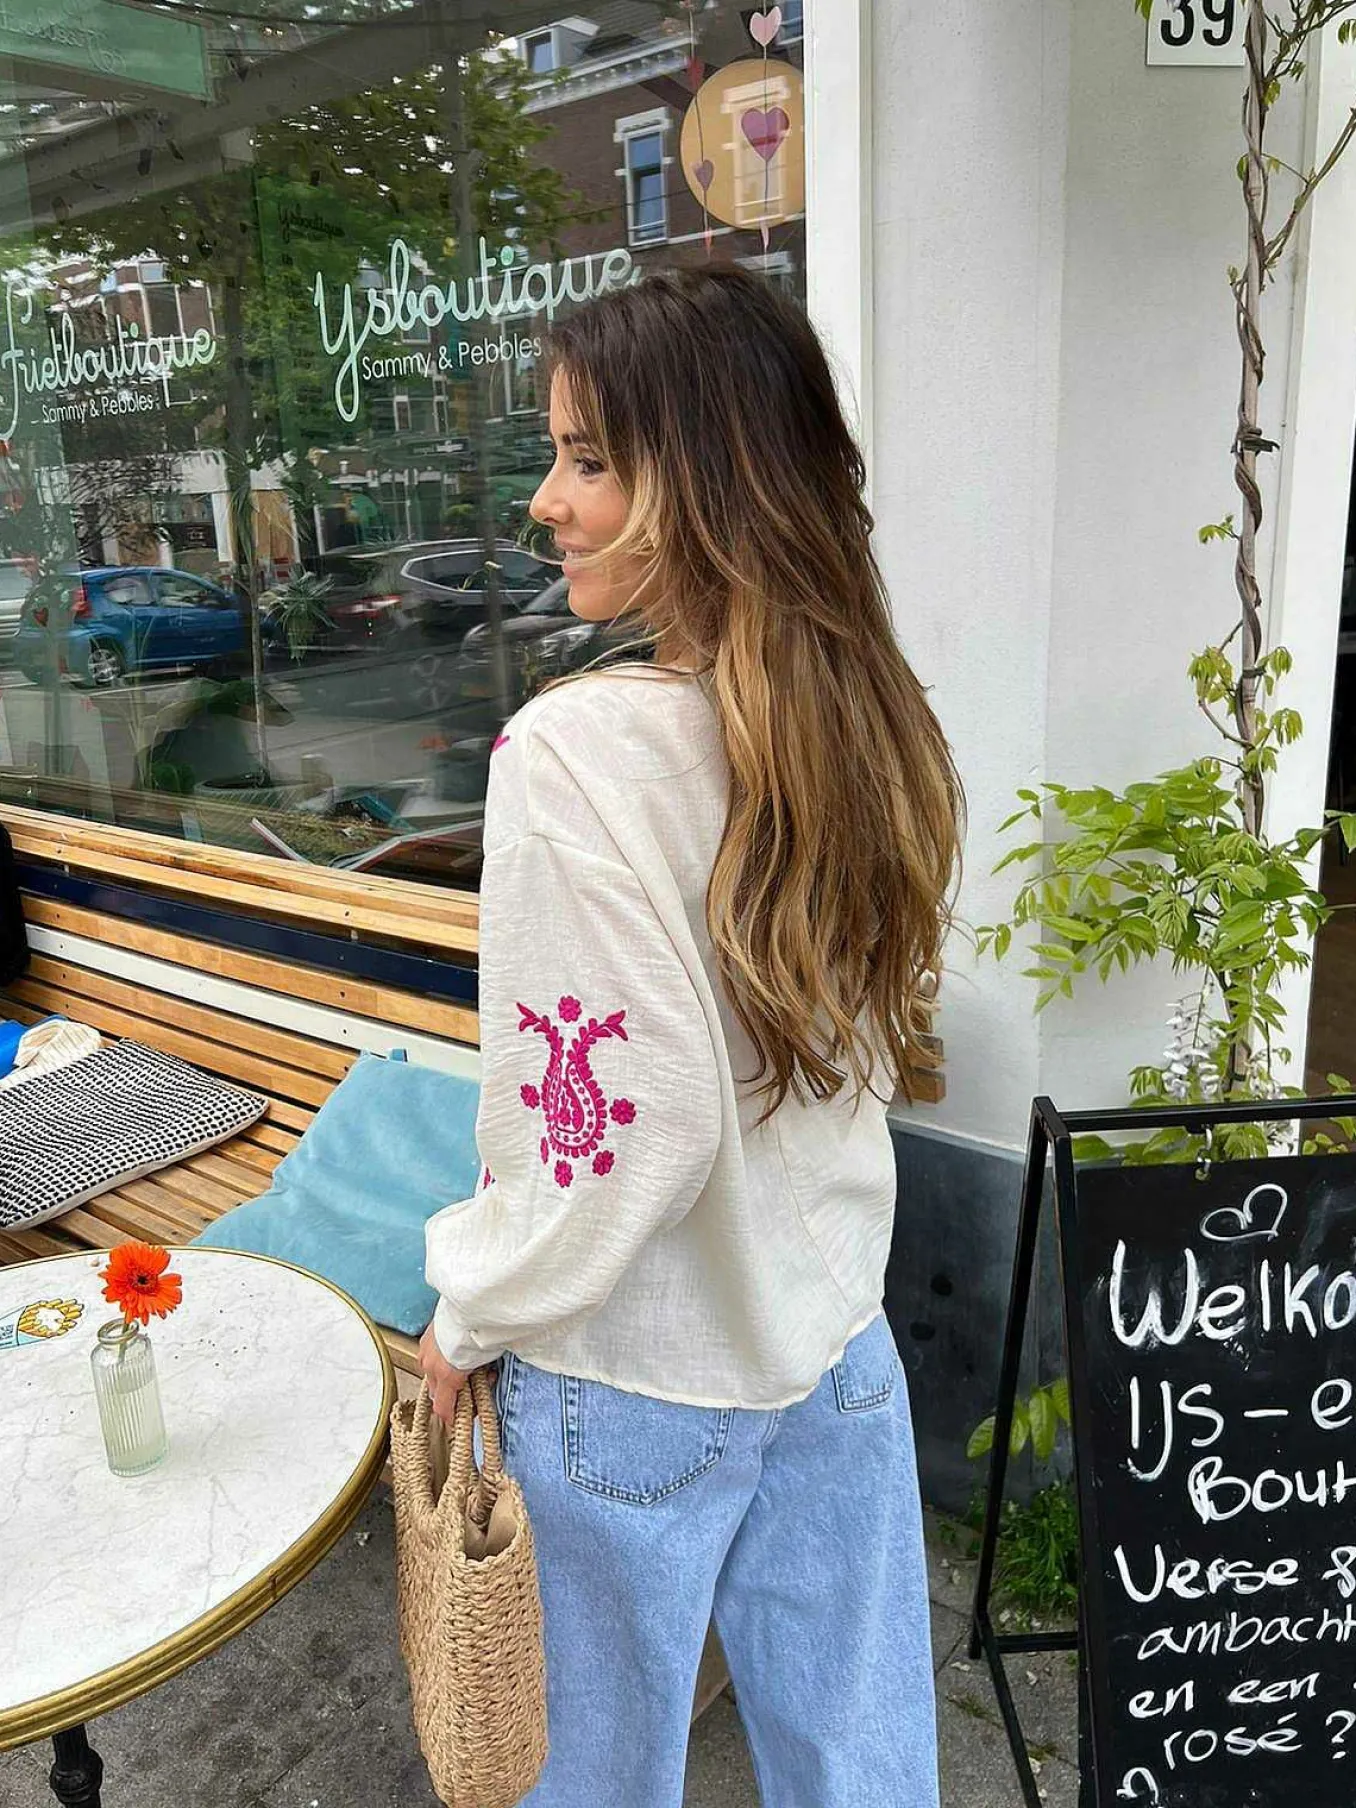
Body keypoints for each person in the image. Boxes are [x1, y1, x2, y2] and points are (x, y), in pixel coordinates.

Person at [418, 266, 963, 1808]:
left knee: (589, 1782)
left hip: (632, 1370)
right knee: (862, 1771)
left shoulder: (574, 753)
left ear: (707, 480)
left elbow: (609, 1125)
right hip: (832, 1341)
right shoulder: (864, 722)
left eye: (589, 459)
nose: (546, 502)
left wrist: (470, 1315)